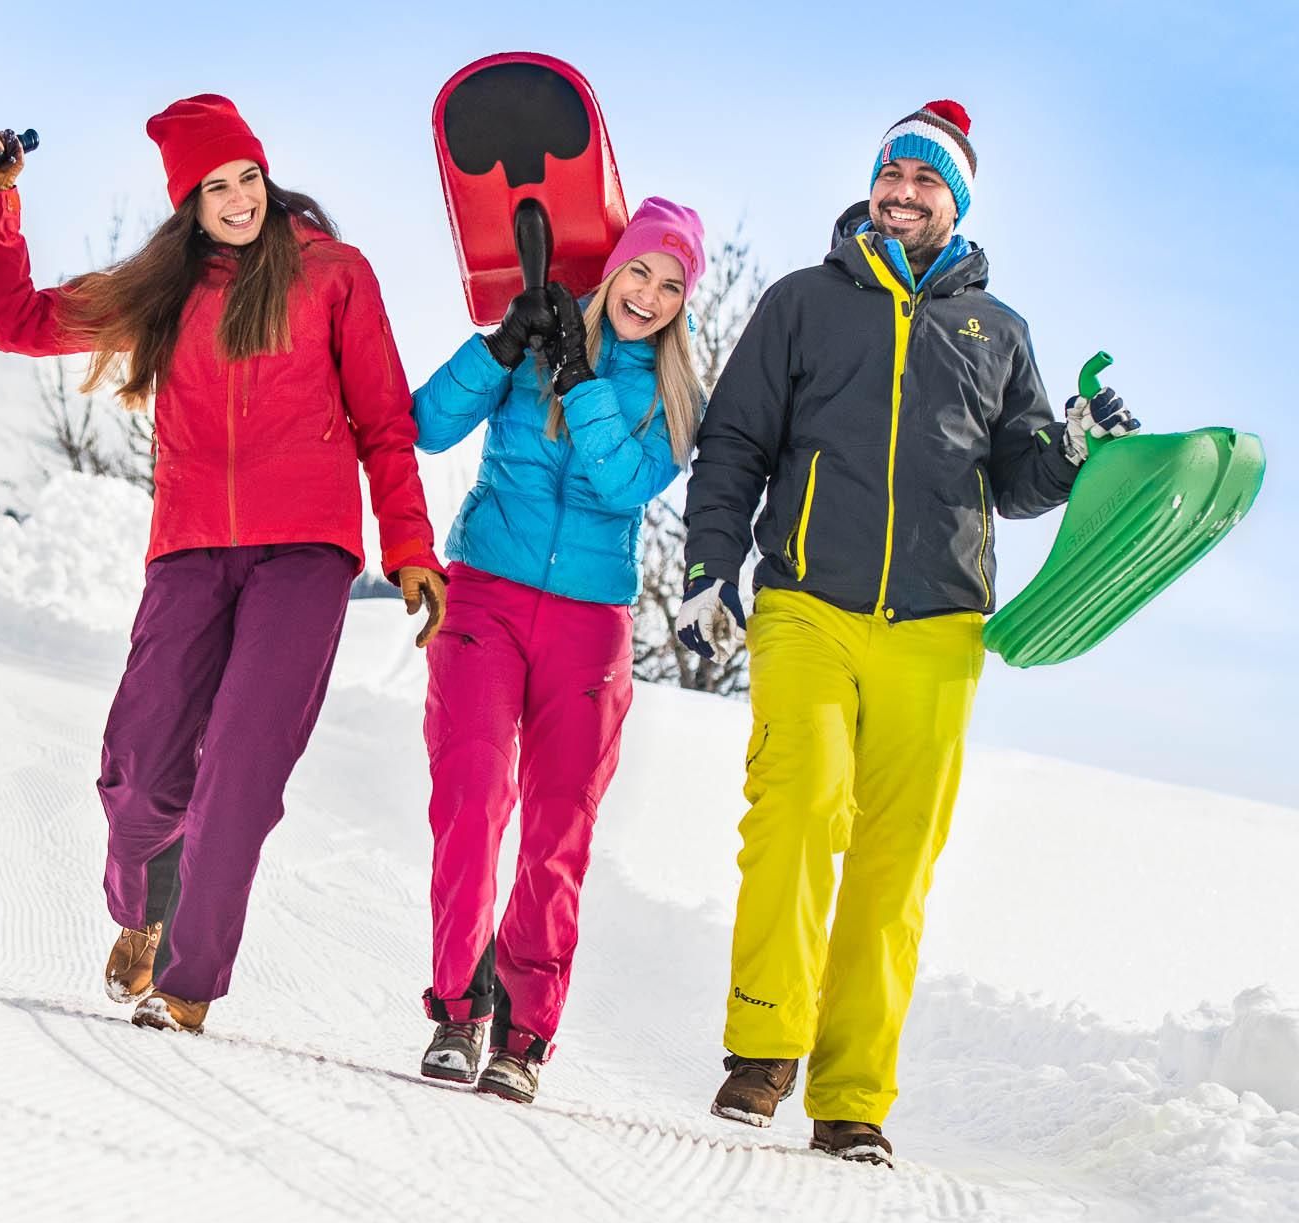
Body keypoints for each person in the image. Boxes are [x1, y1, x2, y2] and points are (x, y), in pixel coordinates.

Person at [677, 100, 1139, 1164]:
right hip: (808, 602)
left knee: (895, 865)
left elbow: (1018, 479)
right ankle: (764, 1049)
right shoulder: (802, 302)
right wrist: (708, 567)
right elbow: (735, 441)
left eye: (925, 180)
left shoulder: (997, 331)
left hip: (936, 627)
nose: (901, 193)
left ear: (955, 202)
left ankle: (851, 1098)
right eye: (891, 173)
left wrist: (1070, 445)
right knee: (795, 806)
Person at [0, 96, 449, 1035]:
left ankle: (188, 984)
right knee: (139, 769)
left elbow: (384, 421)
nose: (238, 199)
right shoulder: (162, 288)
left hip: (304, 552)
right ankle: (144, 909)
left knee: (240, 768)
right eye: (216, 186)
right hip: (188, 548)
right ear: (188, 201)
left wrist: (410, 546)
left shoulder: (333, 273)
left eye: (248, 177)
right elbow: (18, 322)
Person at [408, 199, 708, 1103]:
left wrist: (580, 379)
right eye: (640, 271)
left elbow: (622, 485)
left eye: (672, 285)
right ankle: (459, 1006)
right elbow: (425, 423)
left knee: (557, 830)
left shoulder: (675, 397)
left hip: (589, 627)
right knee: (471, 797)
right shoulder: (533, 335)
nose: (649, 295)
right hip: (486, 596)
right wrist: (502, 346)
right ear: (612, 269)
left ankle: (523, 1032)